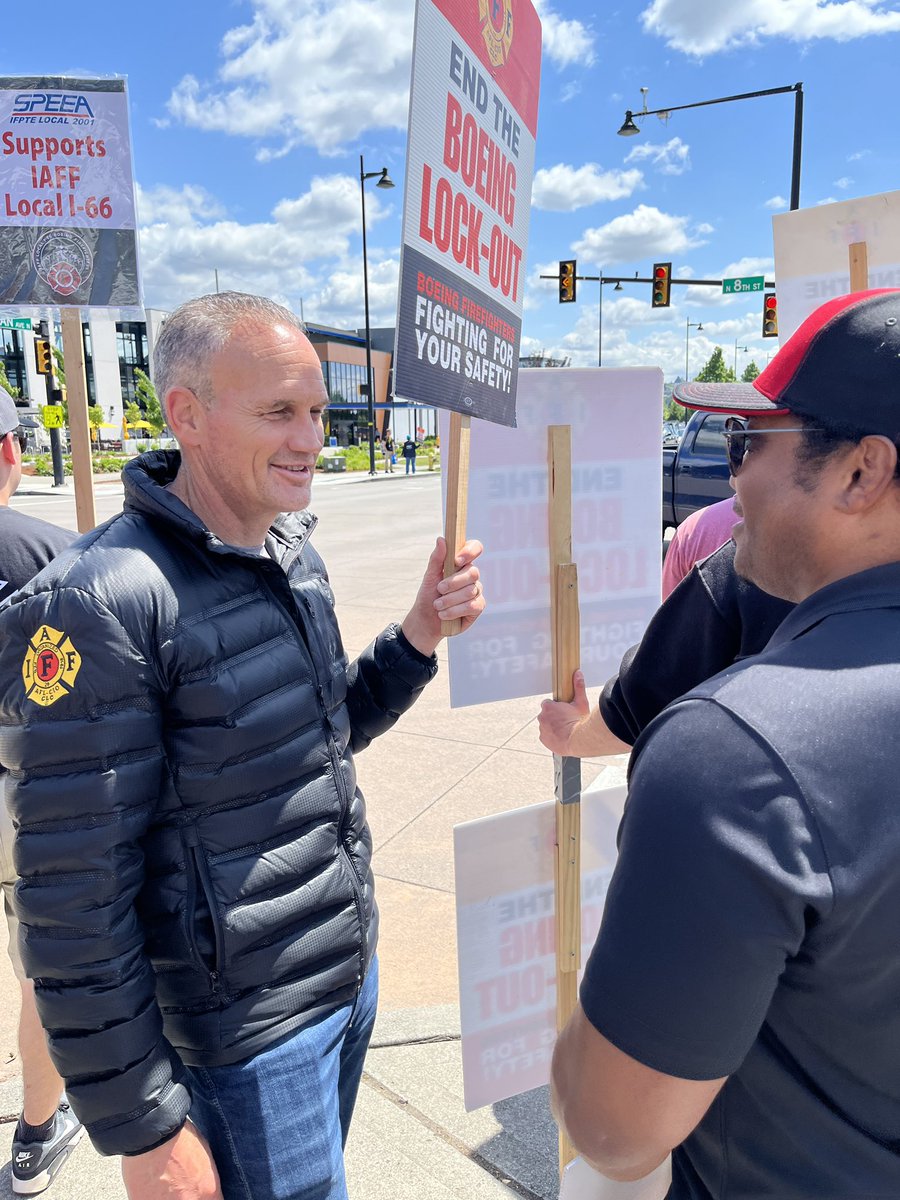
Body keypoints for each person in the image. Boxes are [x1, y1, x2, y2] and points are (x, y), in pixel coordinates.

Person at [0, 293, 486, 1200]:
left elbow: (321, 736)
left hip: (343, 978)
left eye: (317, 411)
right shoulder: (100, 603)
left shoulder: (289, 550)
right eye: (279, 412)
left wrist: (418, 633)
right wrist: (145, 1128)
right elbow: (71, 904)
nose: (309, 436)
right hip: (242, 1039)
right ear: (186, 413)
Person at [550, 290, 900, 1197]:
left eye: (751, 446)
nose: (729, 479)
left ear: (861, 472)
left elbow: (611, 1130)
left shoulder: (736, 758)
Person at [0, 390, 84, 1195]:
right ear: (9, 455)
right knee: (40, 972)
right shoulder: (51, 550)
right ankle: (35, 1131)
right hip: (22, 793)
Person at [661, 494, 740, 598]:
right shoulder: (691, 530)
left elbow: (670, 607)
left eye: (735, 475)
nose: (732, 481)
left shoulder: (691, 530)